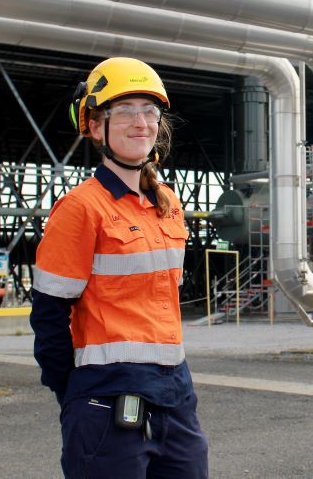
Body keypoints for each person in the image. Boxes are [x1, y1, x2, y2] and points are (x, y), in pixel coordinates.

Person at [30, 57, 208, 478]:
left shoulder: (168, 205)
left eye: (149, 112)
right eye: (124, 112)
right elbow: (49, 316)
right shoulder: (81, 208)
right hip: (106, 400)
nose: (140, 123)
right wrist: (75, 394)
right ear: (95, 126)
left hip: (176, 396)